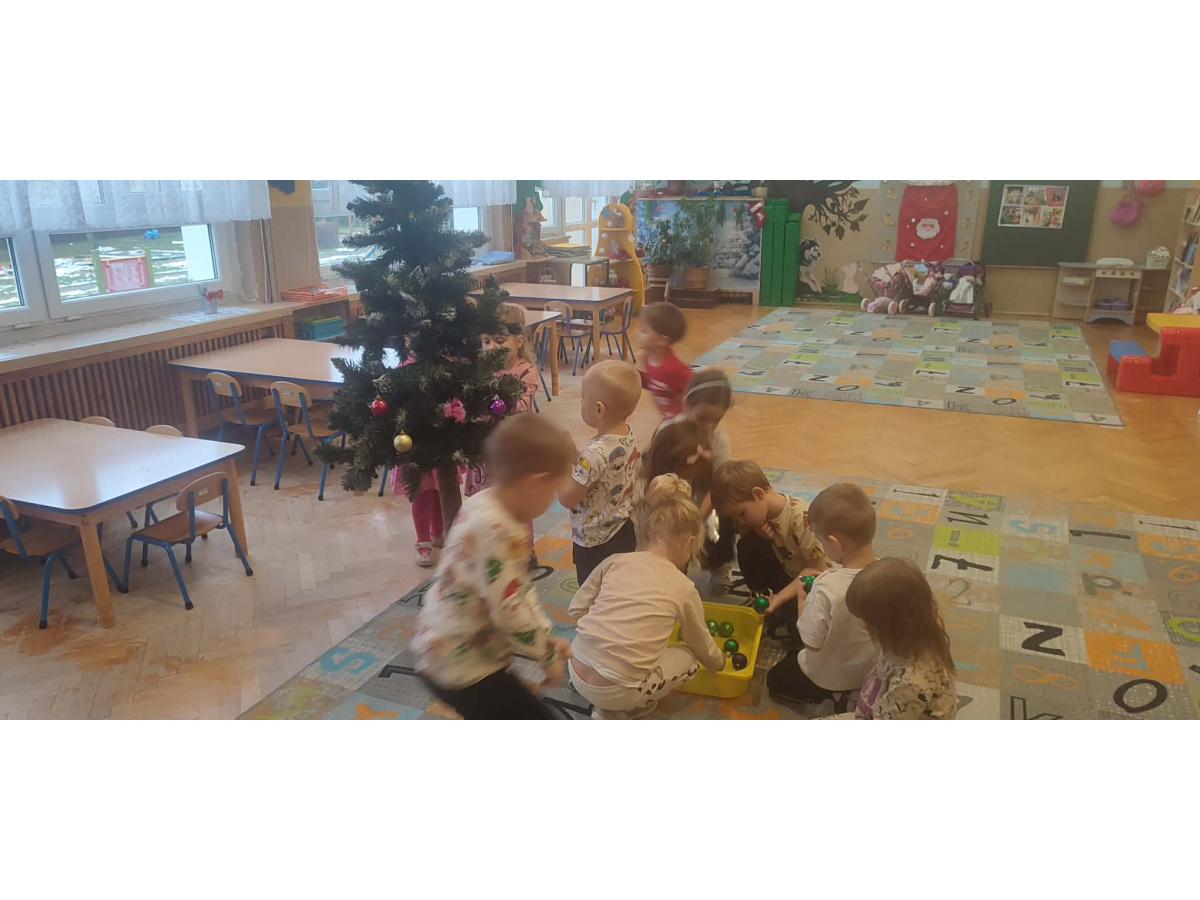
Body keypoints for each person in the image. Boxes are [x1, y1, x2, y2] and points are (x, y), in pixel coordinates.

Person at [411, 415, 575, 719]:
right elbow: (509, 611)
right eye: (552, 489)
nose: (552, 499)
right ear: (535, 483)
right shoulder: (496, 531)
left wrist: (546, 635)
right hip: (460, 663)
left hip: (447, 649)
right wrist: (547, 653)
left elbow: (518, 589)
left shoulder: (485, 503)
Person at [568, 474, 725, 719]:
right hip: (618, 690)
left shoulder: (615, 560)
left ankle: (604, 702)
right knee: (690, 658)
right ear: (690, 542)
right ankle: (619, 709)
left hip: (575, 666)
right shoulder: (684, 587)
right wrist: (718, 663)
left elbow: (576, 609)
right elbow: (700, 641)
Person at [762, 483, 879, 713]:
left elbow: (810, 641)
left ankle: (837, 695)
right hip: (870, 672)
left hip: (830, 677)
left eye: (821, 541)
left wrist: (802, 600)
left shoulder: (827, 586)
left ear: (834, 543)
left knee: (776, 679)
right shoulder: (891, 576)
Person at [710, 459, 831, 640]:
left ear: (758, 494)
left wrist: (780, 597)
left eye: (742, 514)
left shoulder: (802, 519)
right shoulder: (760, 514)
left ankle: (781, 606)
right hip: (788, 573)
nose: (741, 522)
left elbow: (815, 570)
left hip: (815, 583)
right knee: (748, 545)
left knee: (801, 630)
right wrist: (758, 533)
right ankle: (765, 599)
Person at [559, 360, 643, 586]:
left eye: (582, 397)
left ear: (599, 409)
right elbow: (601, 472)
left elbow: (567, 499)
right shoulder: (628, 435)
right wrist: (574, 455)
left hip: (594, 541)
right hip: (622, 530)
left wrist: (562, 464)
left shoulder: (595, 453)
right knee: (617, 588)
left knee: (592, 593)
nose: (580, 401)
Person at [846, 558, 957, 720]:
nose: (864, 627)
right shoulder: (908, 640)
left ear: (891, 625)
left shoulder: (910, 684)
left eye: (869, 621)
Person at [656, 368, 735, 592]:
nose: (708, 426)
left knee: (725, 514)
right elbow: (656, 473)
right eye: (702, 418)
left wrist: (699, 515)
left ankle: (720, 566)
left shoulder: (719, 440)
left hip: (706, 501)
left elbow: (719, 483)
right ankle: (674, 572)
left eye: (716, 420)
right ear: (686, 405)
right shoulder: (669, 431)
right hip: (671, 498)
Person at [464, 302, 542, 497]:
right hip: (483, 447)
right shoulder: (481, 370)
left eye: (499, 341)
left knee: (511, 500)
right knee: (485, 500)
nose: (492, 347)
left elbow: (520, 405)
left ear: (519, 342)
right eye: (486, 341)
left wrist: (492, 399)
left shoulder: (526, 371)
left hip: (511, 448)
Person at [631, 420, 713, 548]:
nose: (686, 483)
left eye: (690, 477)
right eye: (685, 476)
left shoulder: (696, 483)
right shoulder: (640, 491)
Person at [634, 301, 692, 419]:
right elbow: (653, 382)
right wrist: (632, 374)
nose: (637, 333)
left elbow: (697, 390)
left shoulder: (677, 369)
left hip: (682, 421)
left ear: (662, 340)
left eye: (644, 331)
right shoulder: (646, 357)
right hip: (666, 418)